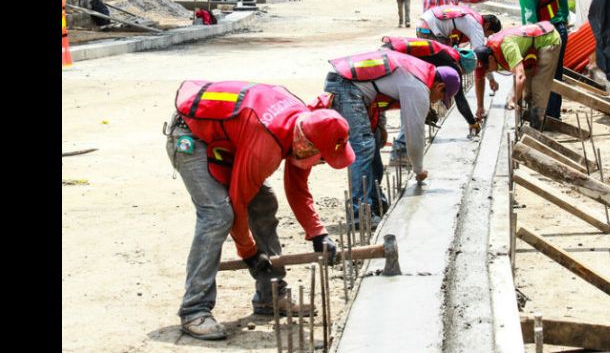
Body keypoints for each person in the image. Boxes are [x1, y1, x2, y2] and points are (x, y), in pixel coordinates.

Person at [165, 80, 355, 340]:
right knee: (218, 215)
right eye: (321, 157)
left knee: (264, 202)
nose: (320, 163)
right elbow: (238, 201)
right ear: (306, 146)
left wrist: (318, 234)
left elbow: (297, 187)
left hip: (231, 138)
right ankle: (194, 310)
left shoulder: (306, 125)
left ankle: (270, 296)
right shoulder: (267, 142)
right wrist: (250, 253)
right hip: (191, 137)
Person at [322, 50, 460, 228]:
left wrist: (380, 126)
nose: (437, 102)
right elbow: (414, 135)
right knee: (363, 147)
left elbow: (382, 86)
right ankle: (359, 214)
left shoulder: (421, 71)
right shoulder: (418, 87)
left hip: (348, 82)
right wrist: (419, 169)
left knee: (372, 142)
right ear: (440, 87)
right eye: (441, 98)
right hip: (346, 86)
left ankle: (375, 201)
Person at [381, 36, 481, 165]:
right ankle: (400, 152)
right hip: (393, 58)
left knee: (413, 102)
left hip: (390, 53)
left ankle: (403, 151)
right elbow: (459, 98)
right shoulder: (452, 65)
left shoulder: (447, 54)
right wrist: (472, 122)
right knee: (412, 104)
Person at [513, 0, 570, 121]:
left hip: (545, 35)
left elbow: (530, 21)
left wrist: (529, 47)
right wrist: (564, 16)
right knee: (556, 74)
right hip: (560, 29)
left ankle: (544, 117)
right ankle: (554, 115)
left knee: (542, 77)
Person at [473, 22, 562, 127]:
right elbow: (479, 79)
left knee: (538, 87)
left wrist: (514, 100)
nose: (487, 72)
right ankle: (533, 121)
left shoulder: (507, 47)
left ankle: (537, 127)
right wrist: (480, 106)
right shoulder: (481, 59)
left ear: (491, 58)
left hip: (548, 39)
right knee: (528, 92)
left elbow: (520, 77)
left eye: (487, 69)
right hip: (530, 47)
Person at [415, 4, 501, 49]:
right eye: (490, 33)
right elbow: (479, 53)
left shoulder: (472, 15)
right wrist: (491, 79)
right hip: (429, 30)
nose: (487, 36)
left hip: (422, 25)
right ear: (487, 25)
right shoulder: (477, 26)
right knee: (445, 61)